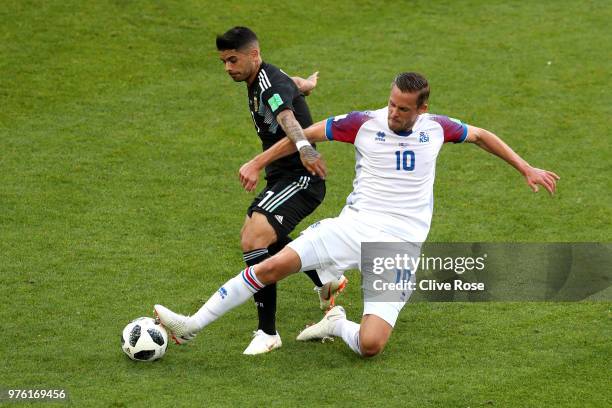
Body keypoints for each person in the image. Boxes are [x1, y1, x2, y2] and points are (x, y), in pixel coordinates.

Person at [155, 72, 559, 357]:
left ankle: (335, 323)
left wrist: (526, 168)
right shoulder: (363, 123)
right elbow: (304, 135)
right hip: (352, 226)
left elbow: (482, 136)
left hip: (399, 245)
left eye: (403, 109)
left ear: (422, 108)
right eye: (391, 103)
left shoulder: (437, 128)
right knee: (271, 265)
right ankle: (190, 326)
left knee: (370, 345)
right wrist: (258, 162)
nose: (394, 113)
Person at [214, 26, 345, 355]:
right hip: (283, 178)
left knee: (254, 239)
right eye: (224, 62)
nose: (228, 67)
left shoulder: (267, 82)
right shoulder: (264, 77)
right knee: (258, 238)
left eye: (233, 60)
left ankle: (267, 332)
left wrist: (302, 148)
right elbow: (291, 85)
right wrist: (307, 87)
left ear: (254, 55)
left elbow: (286, 116)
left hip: (302, 178)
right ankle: (322, 274)